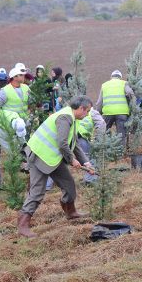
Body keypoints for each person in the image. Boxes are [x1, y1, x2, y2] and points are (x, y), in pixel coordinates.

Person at [17, 96, 95, 238]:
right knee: (37, 192)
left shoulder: (73, 118)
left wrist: (86, 162)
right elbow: (62, 143)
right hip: (40, 155)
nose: (88, 114)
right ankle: (23, 225)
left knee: (69, 184)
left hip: (52, 158)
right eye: (87, 111)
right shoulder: (64, 118)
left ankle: (70, 212)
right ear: (81, 109)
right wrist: (72, 160)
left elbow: (74, 144)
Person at [95, 70, 134, 148]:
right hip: (122, 112)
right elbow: (129, 92)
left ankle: (103, 149)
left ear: (111, 77)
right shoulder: (124, 83)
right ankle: (120, 151)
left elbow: (99, 102)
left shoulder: (104, 85)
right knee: (121, 133)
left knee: (104, 132)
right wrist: (131, 101)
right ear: (120, 77)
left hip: (107, 112)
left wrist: (98, 113)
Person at [76, 107, 106, 184]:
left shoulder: (76, 110)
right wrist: (98, 138)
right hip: (80, 136)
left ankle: (48, 185)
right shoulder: (93, 112)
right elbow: (102, 123)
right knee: (89, 158)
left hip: (74, 136)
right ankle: (90, 180)